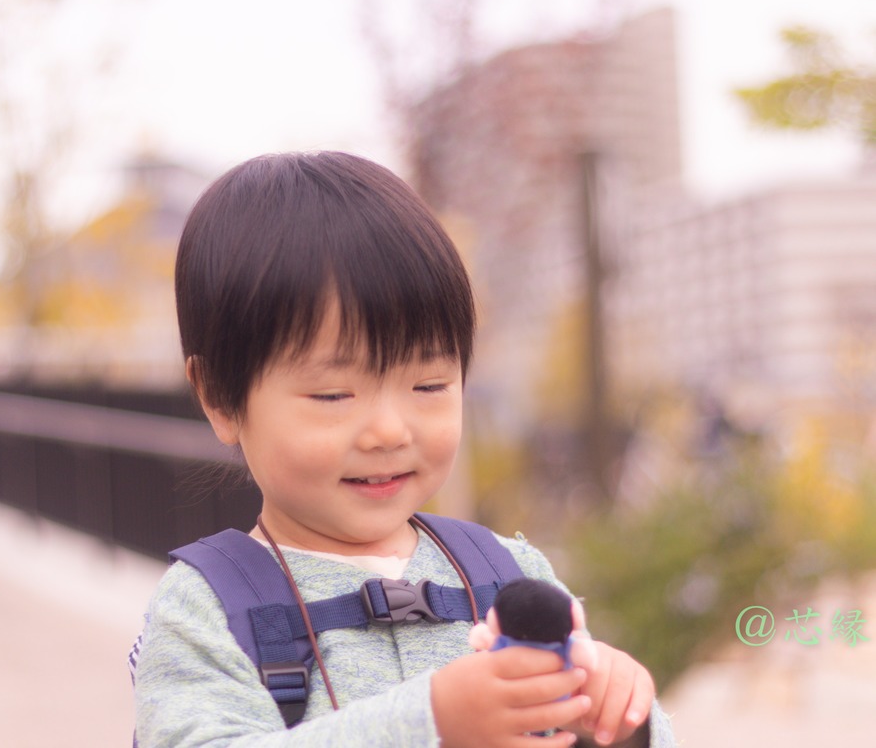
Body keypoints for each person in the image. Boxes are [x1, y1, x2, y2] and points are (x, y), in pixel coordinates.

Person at [132, 152, 676, 747]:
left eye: (429, 385)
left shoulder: (509, 575)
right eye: (334, 393)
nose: (390, 431)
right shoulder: (207, 609)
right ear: (219, 397)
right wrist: (430, 725)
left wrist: (619, 717)